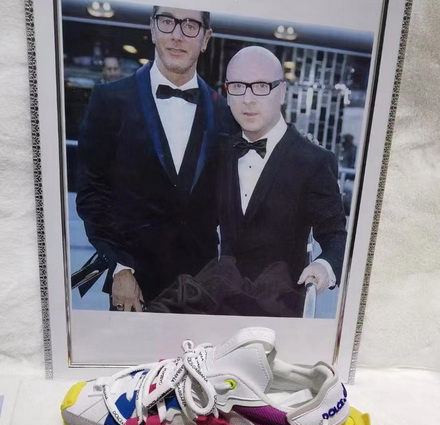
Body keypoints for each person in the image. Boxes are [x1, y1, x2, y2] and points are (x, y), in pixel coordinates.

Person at [76, 6, 235, 311]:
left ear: (205, 39)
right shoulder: (109, 101)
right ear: (152, 28)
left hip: (202, 286)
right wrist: (120, 268)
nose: (177, 35)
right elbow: (92, 195)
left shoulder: (226, 113)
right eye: (167, 22)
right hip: (133, 285)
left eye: (190, 25)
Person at [217, 46, 348, 317]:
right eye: (238, 86)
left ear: (283, 92)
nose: (248, 99)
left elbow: (335, 235)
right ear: (227, 92)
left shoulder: (314, 160)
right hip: (219, 306)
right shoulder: (218, 152)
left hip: (282, 312)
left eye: (261, 86)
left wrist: (324, 266)